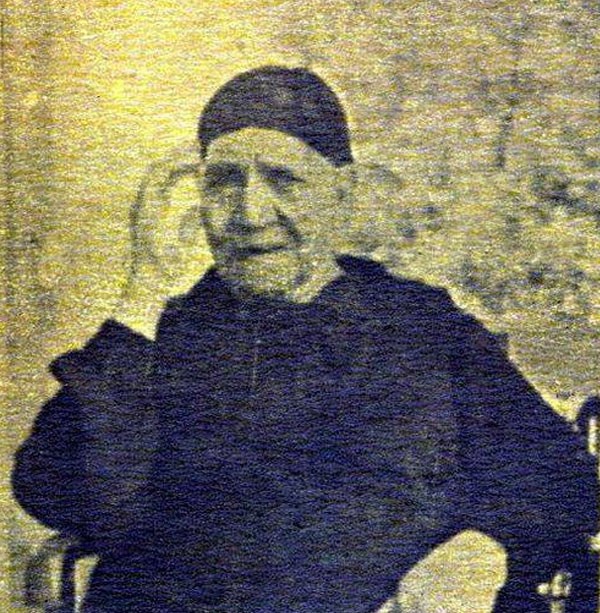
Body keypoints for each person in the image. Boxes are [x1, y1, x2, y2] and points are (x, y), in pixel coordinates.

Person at [12, 66, 598, 612]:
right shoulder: (163, 334)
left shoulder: (417, 327)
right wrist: (143, 288)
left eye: (284, 180)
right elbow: (54, 492)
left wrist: (468, 548)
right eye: (223, 183)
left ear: (341, 194)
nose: (250, 213)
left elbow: (563, 489)